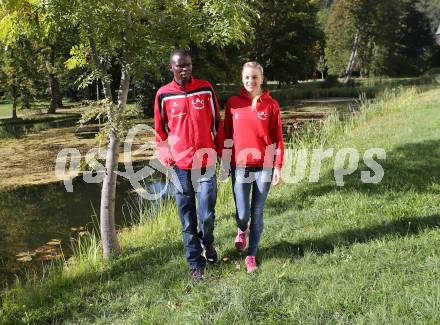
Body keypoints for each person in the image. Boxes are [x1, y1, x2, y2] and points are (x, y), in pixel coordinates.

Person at [154, 49, 224, 281]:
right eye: (180, 66)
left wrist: (222, 153)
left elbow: (217, 124)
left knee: (206, 215)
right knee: (187, 219)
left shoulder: (205, 89)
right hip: (180, 166)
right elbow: (159, 132)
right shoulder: (163, 95)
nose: (185, 69)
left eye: (188, 65)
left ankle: (208, 243)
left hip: (206, 161)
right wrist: (169, 159)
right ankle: (195, 264)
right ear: (171, 68)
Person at [223, 61, 284, 273]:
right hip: (240, 165)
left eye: (255, 77)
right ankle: (242, 229)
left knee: (257, 211)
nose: (251, 81)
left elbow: (278, 138)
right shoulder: (233, 103)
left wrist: (278, 166)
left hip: (264, 166)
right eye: (247, 77)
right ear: (242, 78)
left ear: (262, 78)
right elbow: (227, 135)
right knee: (242, 214)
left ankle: (252, 255)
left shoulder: (271, 105)